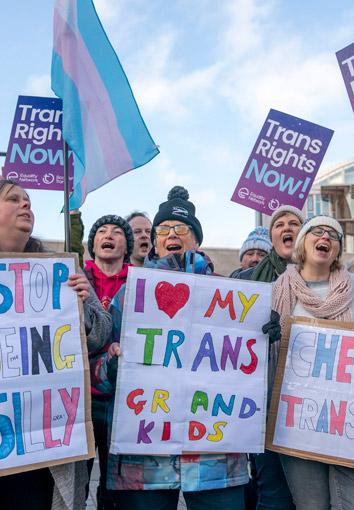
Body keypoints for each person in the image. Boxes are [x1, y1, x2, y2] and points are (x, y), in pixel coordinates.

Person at [0, 179, 112, 510]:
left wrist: (82, 304)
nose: (26, 204)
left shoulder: (58, 269)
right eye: (13, 199)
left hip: (39, 441)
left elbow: (100, 333)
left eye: (27, 200)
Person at [94, 186, 252, 510]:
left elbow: (249, 367)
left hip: (215, 460)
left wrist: (262, 331)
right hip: (143, 462)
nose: (171, 235)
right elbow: (97, 370)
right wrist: (110, 366)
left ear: (197, 240)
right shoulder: (129, 295)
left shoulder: (231, 297)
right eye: (163, 229)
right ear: (154, 242)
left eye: (181, 228)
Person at [273, 215, 354, 510]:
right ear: (303, 242)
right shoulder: (277, 290)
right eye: (317, 231)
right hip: (298, 421)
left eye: (333, 235)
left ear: (337, 249)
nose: (325, 237)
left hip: (351, 419)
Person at [235, 205, 303, 510]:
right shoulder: (248, 280)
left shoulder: (327, 278)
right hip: (265, 406)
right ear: (272, 237)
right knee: (273, 494)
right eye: (279, 224)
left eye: (294, 223)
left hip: (311, 407)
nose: (286, 228)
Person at [84, 214, 135, 510]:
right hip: (82, 399)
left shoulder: (142, 281)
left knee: (115, 488)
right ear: (93, 244)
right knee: (77, 480)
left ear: (126, 246)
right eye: (102, 231)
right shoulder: (75, 279)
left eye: (117, 232)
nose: (109, 235)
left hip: (123, 400)